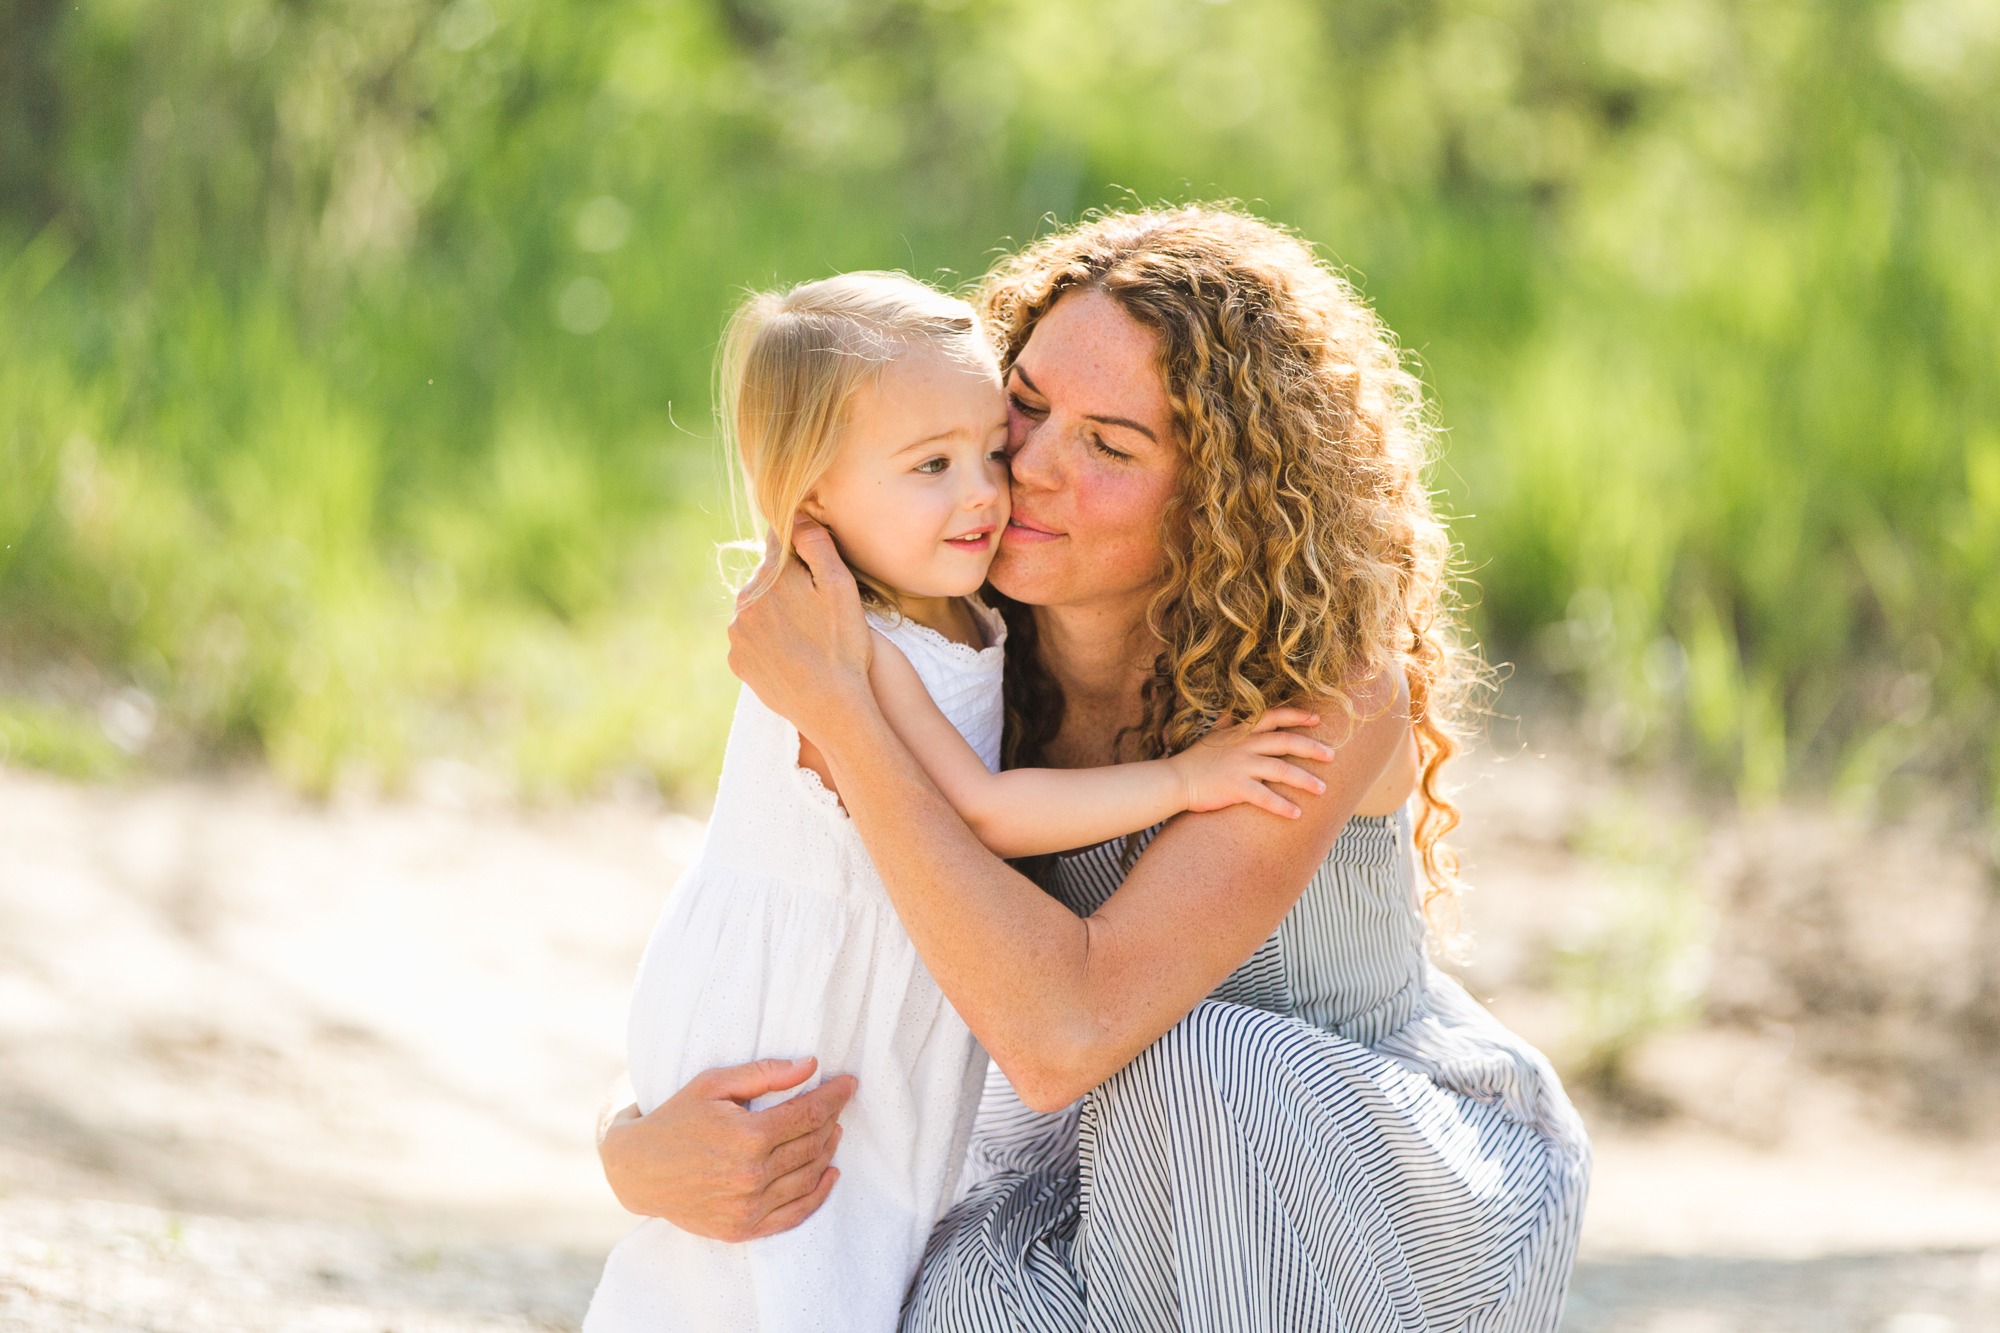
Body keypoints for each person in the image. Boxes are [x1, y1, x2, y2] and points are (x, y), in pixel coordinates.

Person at [601, 206, 1591, 1329]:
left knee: (1198, 1064)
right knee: (964, 1292)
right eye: (1020, 407)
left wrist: (843, 715)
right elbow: (799, 930)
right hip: (1086, 1177)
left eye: (1109, 445)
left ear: (1228, 494)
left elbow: (1063, 1032)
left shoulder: (1322, 694)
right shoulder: (965, 649)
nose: (1024, 469)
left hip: (1357, 1179)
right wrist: (632, 1145)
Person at [585, 270, 1339, 1333]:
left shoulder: (964, 605)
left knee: (857, 1238)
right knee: (784, 1253)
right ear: (810, 499)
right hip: (816, 987)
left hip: (962, 1010)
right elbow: (979, 811)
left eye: (986, 447)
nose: (999, 486)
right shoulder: (863, 638)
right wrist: (1184, 780)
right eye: (945, 459)